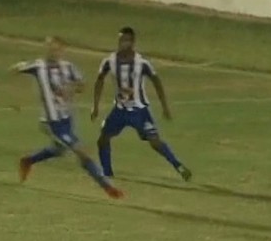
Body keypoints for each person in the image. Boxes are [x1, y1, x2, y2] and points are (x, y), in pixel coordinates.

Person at [14, 37, 124, 199]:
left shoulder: (68, 68)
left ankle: (28, 160)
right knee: (81, 151)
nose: (53, 51)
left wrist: (70, 89)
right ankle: (107, 186)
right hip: (52, 122)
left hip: (67, 118)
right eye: (50, 48)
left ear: (62, 50)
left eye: (57, 48)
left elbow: (82, 85)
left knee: (59, 150)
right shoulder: (38, 66)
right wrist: (16, 98)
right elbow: (16, 69)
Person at [91, 27, 192, 181]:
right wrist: (95, 106)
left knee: (154, 141)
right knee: (103, 139)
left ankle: (178, 165)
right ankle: (107, 173)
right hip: (119, 111)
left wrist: (165, 106)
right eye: (120, 40)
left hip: (139, 111)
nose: (122, 43)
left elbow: (156, 82)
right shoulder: (109, 61)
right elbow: (99, 80)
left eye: (125, 40)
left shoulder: (141, 63)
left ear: (132, 42)